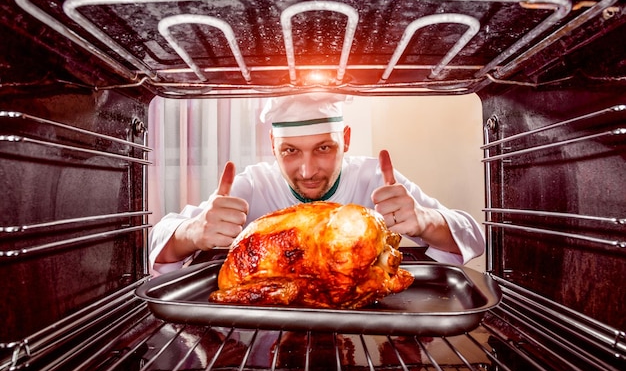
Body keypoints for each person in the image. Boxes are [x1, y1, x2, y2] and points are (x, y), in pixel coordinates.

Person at [148, 93, 485, 276]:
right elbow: (158, 240)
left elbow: (473, 236)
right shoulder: (251, 187)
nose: (307, 171)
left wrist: (426, 221)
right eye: (290, 151)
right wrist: (193, 234)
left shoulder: (374, 180)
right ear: (272, 146)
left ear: (347, 139)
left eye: (324, 148)